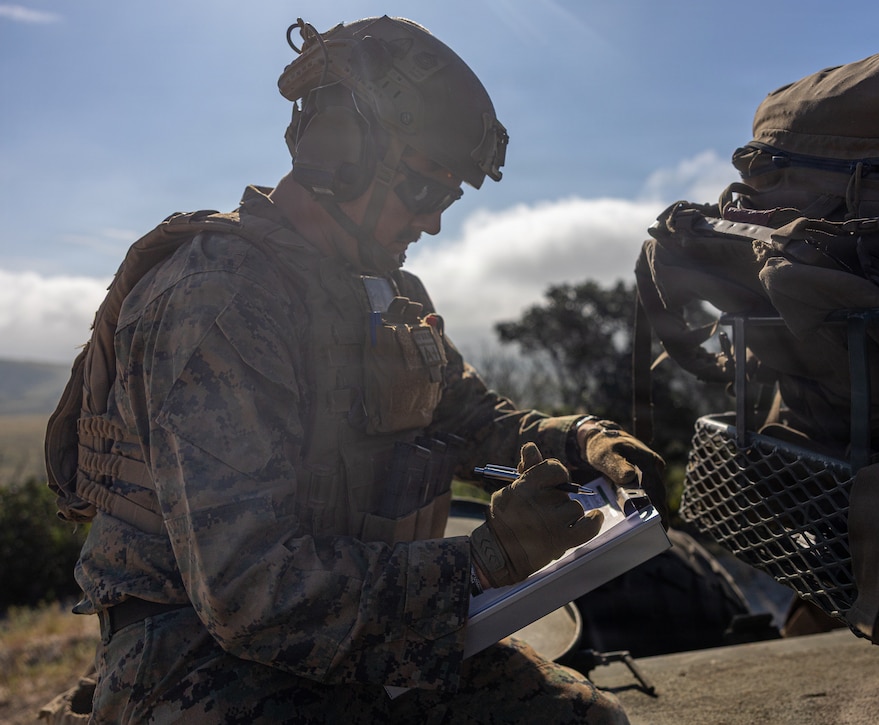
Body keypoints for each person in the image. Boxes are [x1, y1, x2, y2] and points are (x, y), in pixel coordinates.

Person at [62, 15, 668, 724]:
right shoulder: (219, 300)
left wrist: (584, 441)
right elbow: (249, 593)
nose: (434, 223)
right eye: (422, 192)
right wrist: (484, 561)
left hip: (358, 627)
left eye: (448, 199)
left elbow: (469, 414)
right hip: (195, 658)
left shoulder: (389, 291)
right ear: (337, 153)